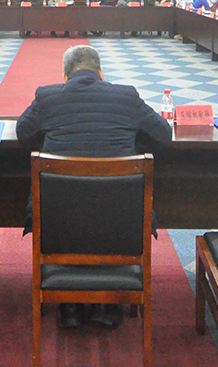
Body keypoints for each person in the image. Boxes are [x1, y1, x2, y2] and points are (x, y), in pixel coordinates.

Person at [17, 45, 172, 328]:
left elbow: (22, 133)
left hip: (58, 220)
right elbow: (164, 135)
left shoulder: (47, 96)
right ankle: (107, 302)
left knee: (67, 214)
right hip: (121, 220)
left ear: (64, 75)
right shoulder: (127, 96)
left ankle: (70, 305)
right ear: (101, 72)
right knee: (108, 214)